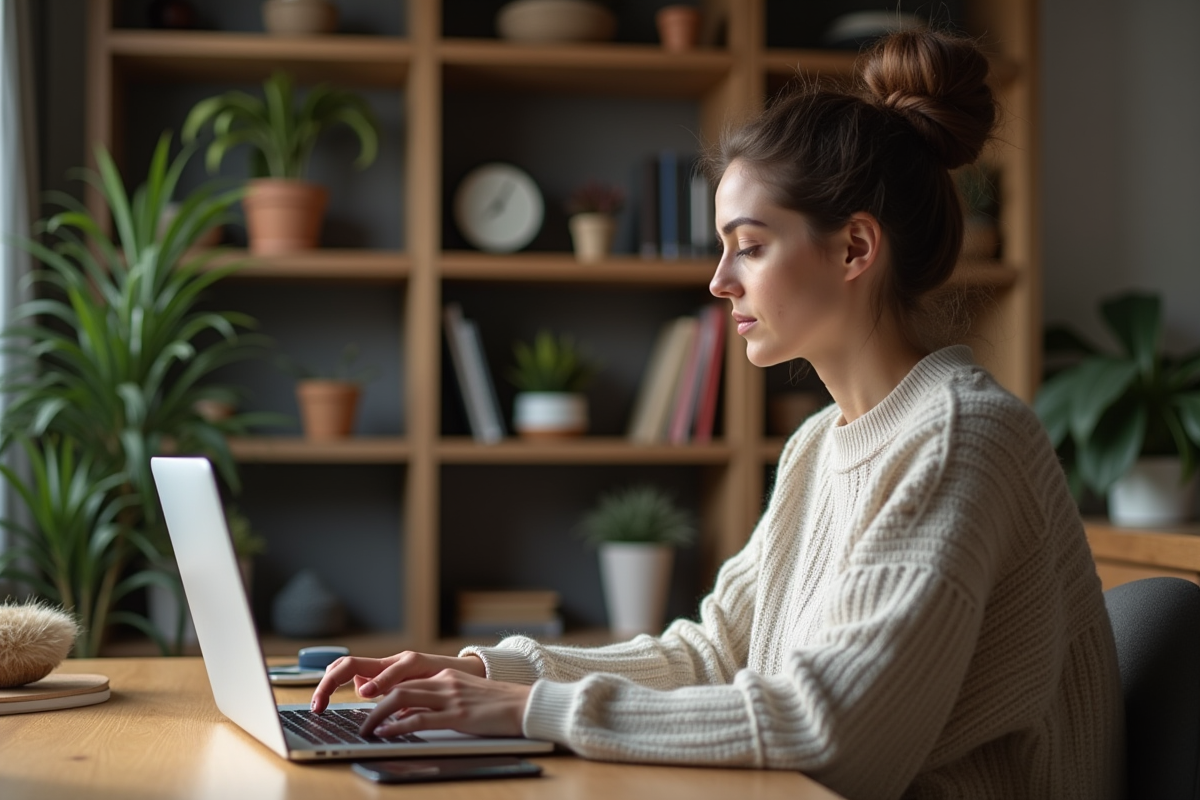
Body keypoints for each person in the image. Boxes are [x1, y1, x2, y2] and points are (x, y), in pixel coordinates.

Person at [311, 29, 1123, 800]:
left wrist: (531, 715)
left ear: (854, 249)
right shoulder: (817, 445)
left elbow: (834, 734)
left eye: (751, 245)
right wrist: (495, 673)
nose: (719, 281)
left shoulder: (960, 437)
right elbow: (710, 654)